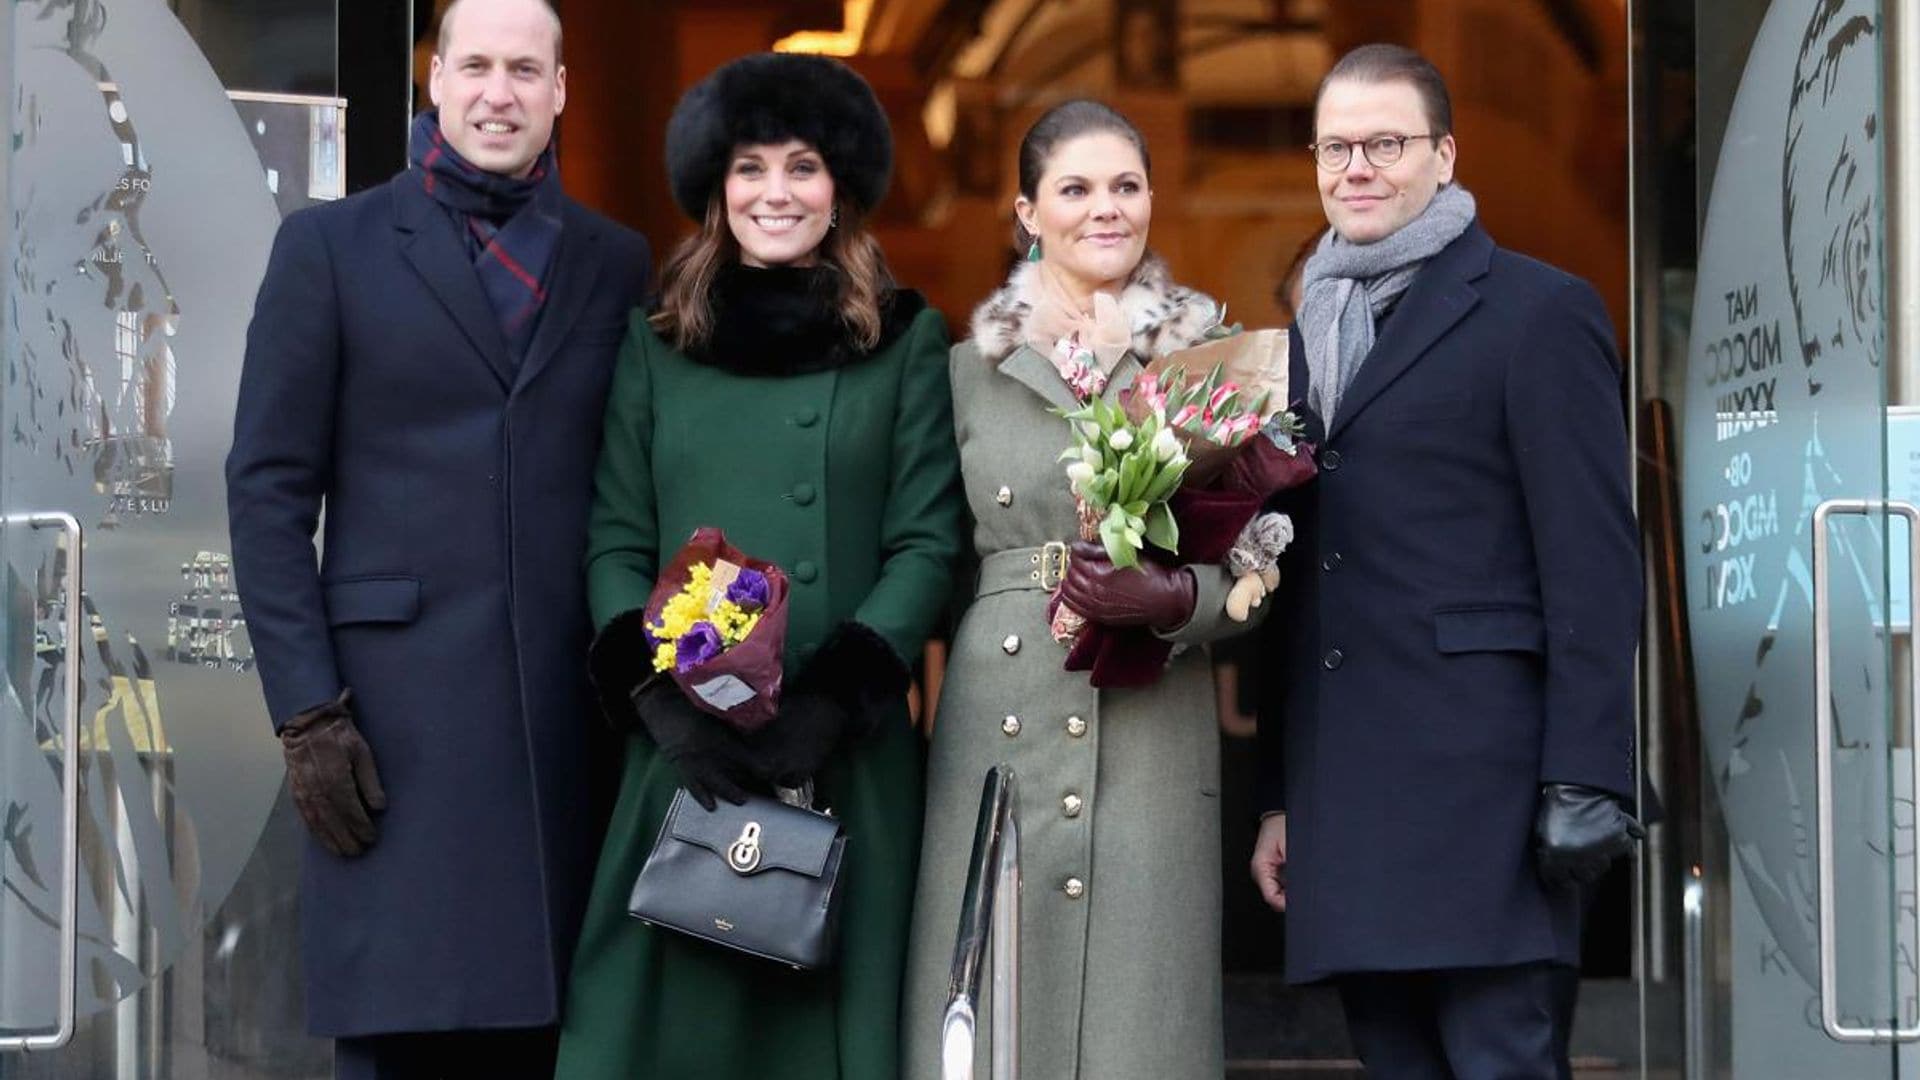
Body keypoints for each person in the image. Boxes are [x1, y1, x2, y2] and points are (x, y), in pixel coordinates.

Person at [223, 0, 650, 1074]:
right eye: (475, 67)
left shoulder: (616, 262)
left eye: (524, 69)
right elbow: (268, 489)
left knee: (558, 1039)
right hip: (387, 727)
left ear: (560, 91)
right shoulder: (329, 246)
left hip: (564, 731)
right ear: (436, 80)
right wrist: (306, 712)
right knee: (400, 1040)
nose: (497, 92)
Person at [551, 53, 964, 1080]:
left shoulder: (906, 340)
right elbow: (615, 538)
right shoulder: (654, 344)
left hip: (843, 758)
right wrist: (659, 703)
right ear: (713, 189)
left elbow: (927, 539)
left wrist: (836, 696)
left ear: (842, 191)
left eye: (803, 166)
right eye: (749, 167)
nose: (775, 192)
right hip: (689, 757)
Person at [1249, 43, 1642, 1078]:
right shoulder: (1301, 339)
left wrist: (1590, 775)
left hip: (1492, 798)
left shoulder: (1538, 311)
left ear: (1446, 155)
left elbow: (1596, 566)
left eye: (1386, 142)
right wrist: (1281, 798)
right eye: (1337, 146)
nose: (1357, 167)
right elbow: (1300, 582)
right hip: (1350, 796)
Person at [904, 99, 1255, 1080]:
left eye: (1126, 186)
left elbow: (1261, 564)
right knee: (991, 1018)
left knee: (1138, 1030)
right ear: (1026, 212)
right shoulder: (964, 373)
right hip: (995, 721)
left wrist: (1178, 601)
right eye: (1076, 189)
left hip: (1151, 721)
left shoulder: (1207, 362)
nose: (1106, 210)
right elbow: (924, 557)